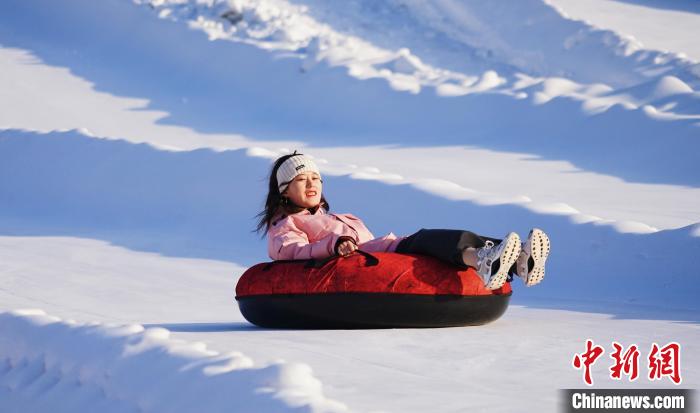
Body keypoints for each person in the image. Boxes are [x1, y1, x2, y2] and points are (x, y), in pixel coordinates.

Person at [255, 152, 551, 290]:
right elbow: (291, 253)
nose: (312, 184)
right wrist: (334, 245)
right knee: (427, 239)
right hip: (375, 257)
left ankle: (517, 261)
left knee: (456, 236)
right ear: (284, 191)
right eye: (301, 179)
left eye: (316, 178)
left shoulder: (335, 216)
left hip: (381, 252)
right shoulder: (285, 226)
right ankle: (483, 261)